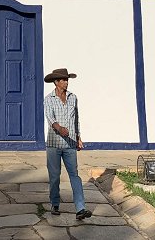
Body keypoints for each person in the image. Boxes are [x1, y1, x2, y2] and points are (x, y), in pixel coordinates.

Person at [43, 67, 92, 220]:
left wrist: (78, 137)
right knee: (55, 176)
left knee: (74, 176)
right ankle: (55, 203)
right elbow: (50, 118)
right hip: (54, 144)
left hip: (70, 144)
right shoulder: (48, 99)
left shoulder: (73, 97)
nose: (66, 82)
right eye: (63, 80)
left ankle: (80, 208)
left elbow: (76, 119)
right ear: (56, 82)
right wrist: (59, 128)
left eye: (67, 79)